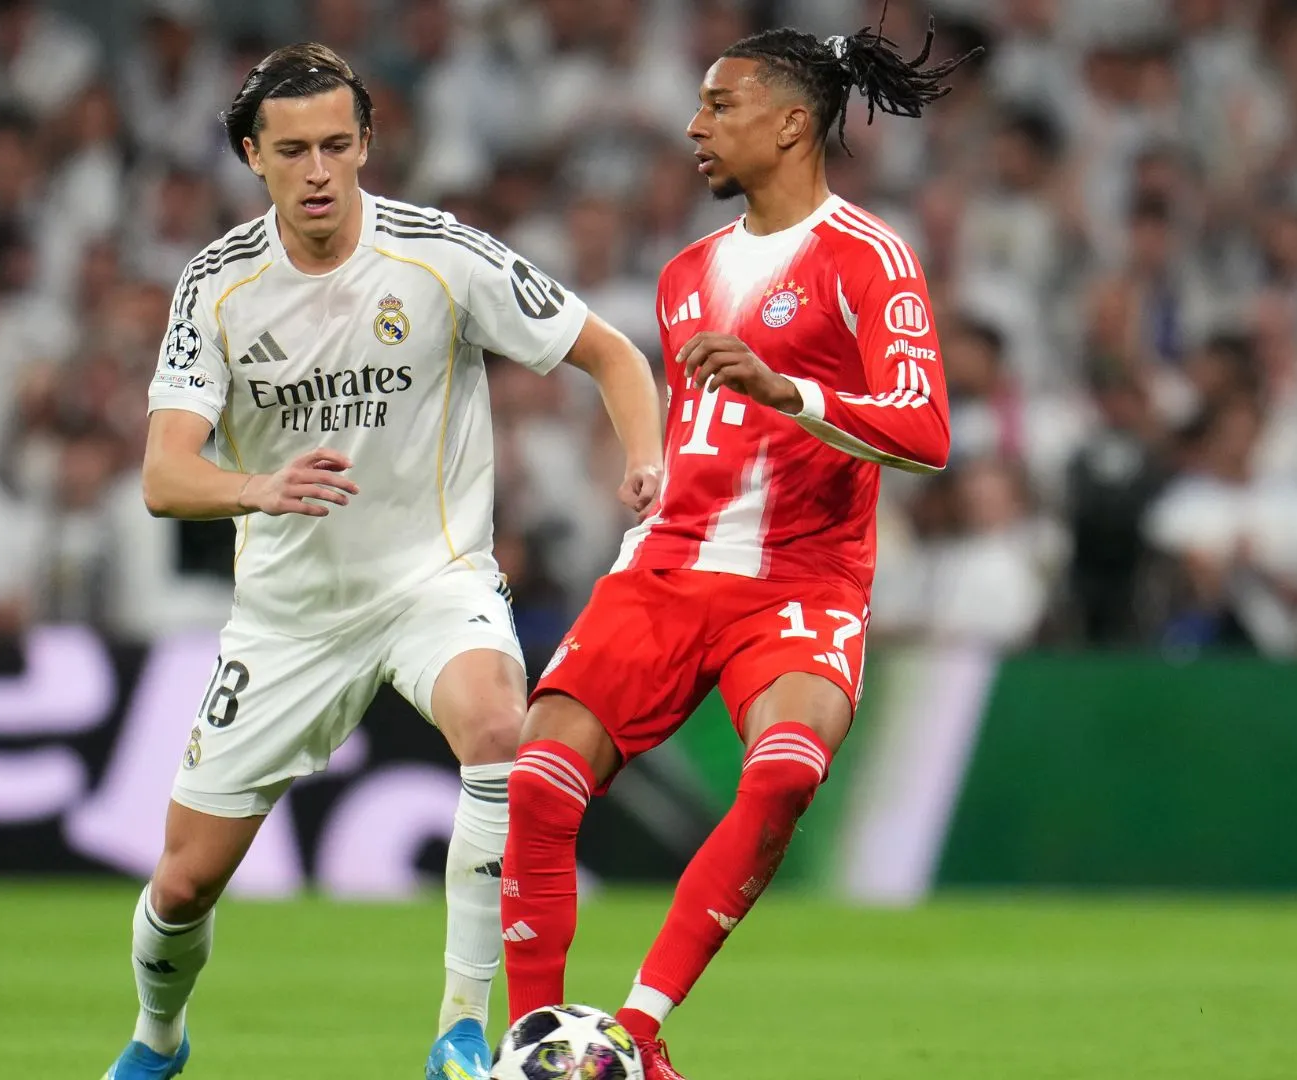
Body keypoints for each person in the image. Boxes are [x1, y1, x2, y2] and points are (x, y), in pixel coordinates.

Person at [104, 42, 663, 1080]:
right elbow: (164, 475)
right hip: (288, 617)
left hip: (432, 580)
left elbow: (611, 353)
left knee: (501, 727)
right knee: (182, 886)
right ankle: (158, 1039)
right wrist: (255, 487)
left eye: (336, 145)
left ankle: (459, 1027)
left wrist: (646, 456)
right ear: (251, 157)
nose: (318, 171)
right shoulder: (218, 287)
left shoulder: (438, 256)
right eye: (292, 151)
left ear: (365, 145)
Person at [498, 23, 974, 1079]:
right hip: (671, 562)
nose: (693, 125)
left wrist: (787, 388)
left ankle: (637, 1029)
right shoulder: (684, 275)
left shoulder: (870, 258)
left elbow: (927, 432)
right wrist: (654, 467)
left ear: (793, 122)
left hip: (802, 578)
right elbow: (712, 436)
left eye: (720, 105)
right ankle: (531, 1051)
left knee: (784, 774)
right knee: (535, 781)